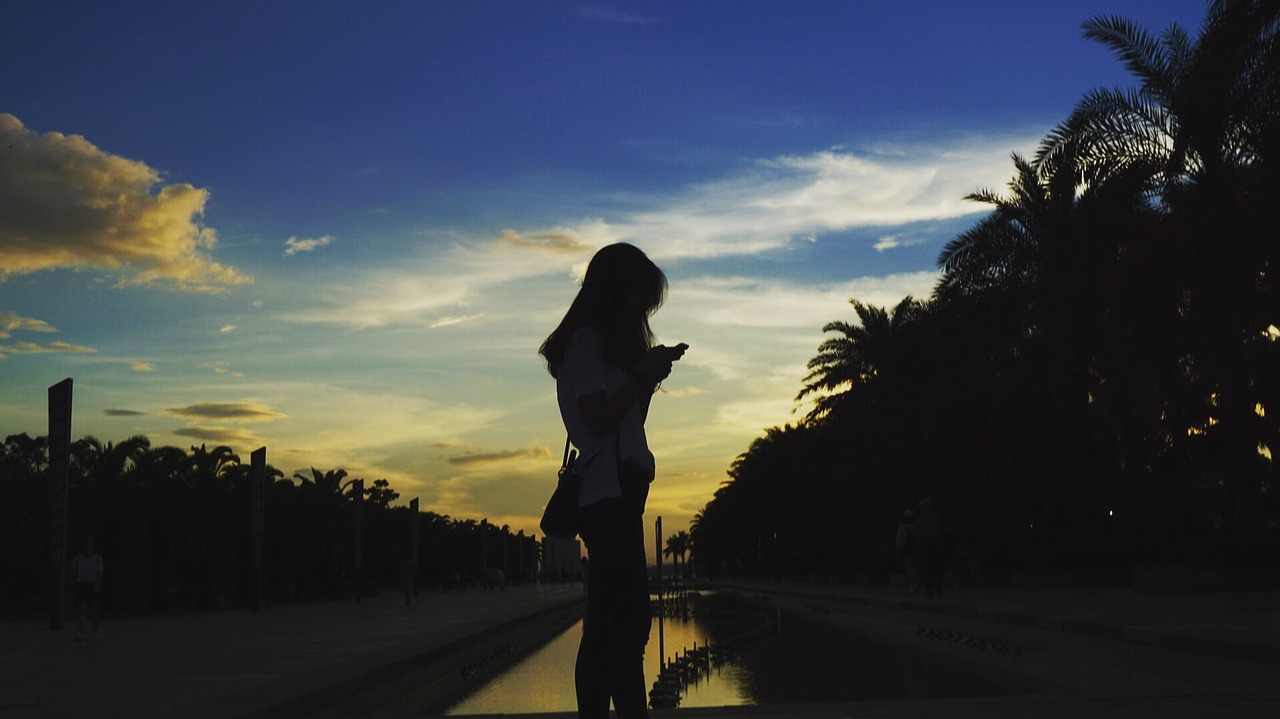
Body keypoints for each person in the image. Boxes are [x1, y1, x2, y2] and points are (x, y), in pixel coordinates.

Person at [540, 242, 686, 719]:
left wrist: (646, 376)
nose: (640, 311)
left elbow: (626, 422)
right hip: (608, 492)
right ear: (614, 292)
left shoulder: (600, 345)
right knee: (627, 625)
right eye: (637, 298)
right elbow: (599, 419)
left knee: (605, 625)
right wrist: (642, 376)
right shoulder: (584, 340)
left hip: (621, 491)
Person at [70, 537, 103, 641]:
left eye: (90, 544)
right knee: (82, 608)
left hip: (92, 585)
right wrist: (74, 583)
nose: (88, 547)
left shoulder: (97, 558)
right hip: (81, 584)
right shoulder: (78, 559)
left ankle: (95, 630)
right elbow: (73, 572)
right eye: (86, 544)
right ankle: (81, 632)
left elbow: (100, 572)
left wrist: (97, 584)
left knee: (94, 610)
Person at [894, 510, 919, 593]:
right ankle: (916, 583)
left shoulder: (903, 527)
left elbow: (899, 539)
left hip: (906, 549)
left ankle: (912, 584)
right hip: (915, 548)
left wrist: (898, 548)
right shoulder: (916, 526)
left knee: (909, 568)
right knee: (915, 567)